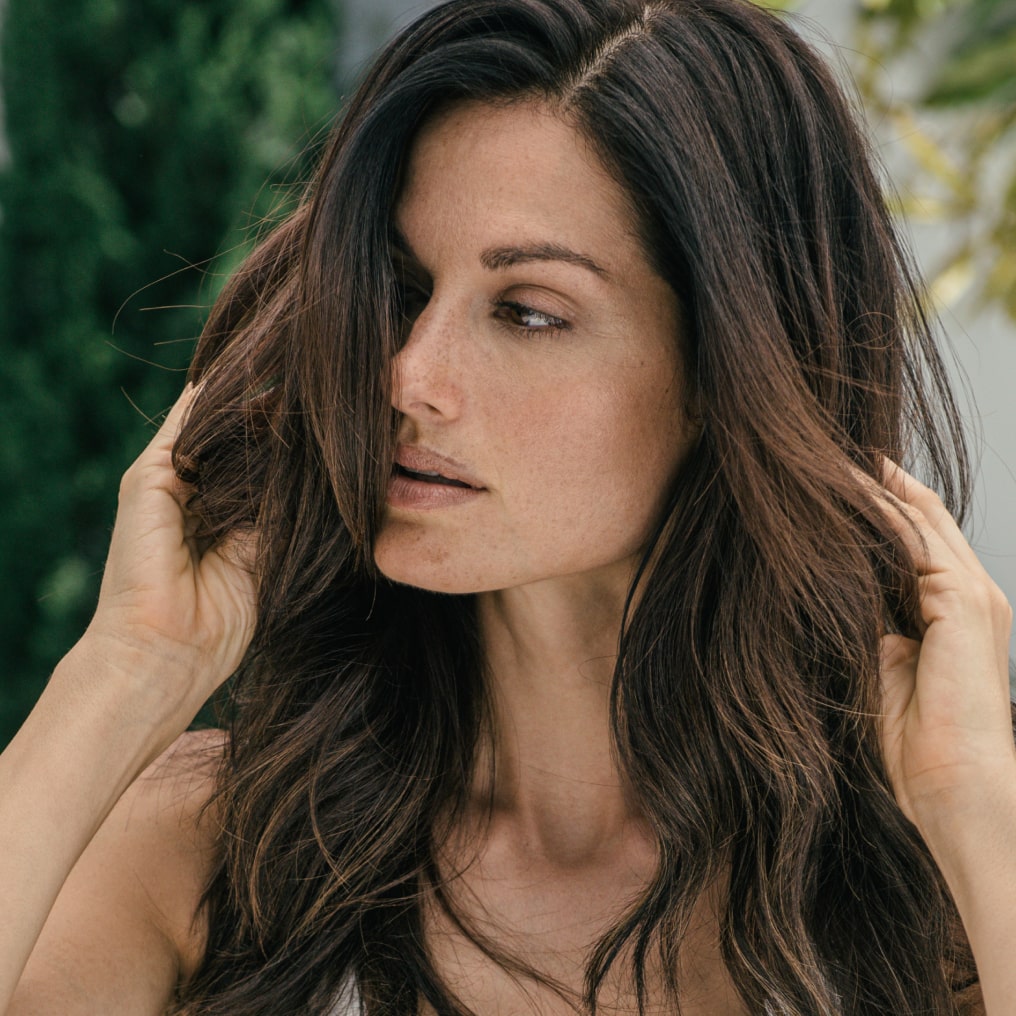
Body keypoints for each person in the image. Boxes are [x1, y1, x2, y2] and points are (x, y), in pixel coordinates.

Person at [2, 0, 1013, 1012]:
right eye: (400, 289)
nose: (408, 373)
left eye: (527, 311)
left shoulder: (930, 892)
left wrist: (972, 800)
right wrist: (129, 670)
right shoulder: (210, 848)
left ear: (732, 368)